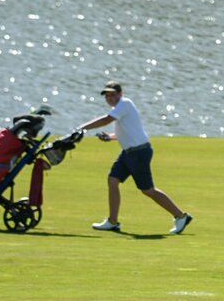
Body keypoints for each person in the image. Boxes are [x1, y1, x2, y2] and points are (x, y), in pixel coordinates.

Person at [77, 81, 193, 234]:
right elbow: (128, 132)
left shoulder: (124, 103)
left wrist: (81, 128)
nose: (110, 98)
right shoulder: (119, 109)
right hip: (128, 152)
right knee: (113, 180)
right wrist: (111, 137)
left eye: (113, 95)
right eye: (107, 96)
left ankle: (181, 216)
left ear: (120, 94)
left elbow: (106, 120)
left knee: (148, 190)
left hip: (139, 152)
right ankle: (112, 221)